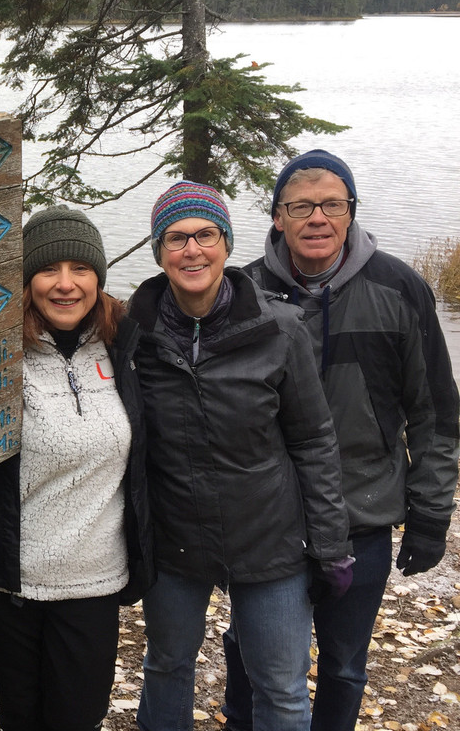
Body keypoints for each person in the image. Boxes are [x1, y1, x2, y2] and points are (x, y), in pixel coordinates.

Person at [223, 150, 460, 731]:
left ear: (351, 212)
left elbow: (435, 412)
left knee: (346, 665)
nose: (317, 218)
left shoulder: (399, 288)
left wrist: (431, 515)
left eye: (332, 204)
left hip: (362, 511)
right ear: (277, 217)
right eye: (300, 206)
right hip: (267, 519)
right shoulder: (243, 293)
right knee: (248, 653)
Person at [129, 181, 352, 731]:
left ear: (226, 244)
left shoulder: (279, 328)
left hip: (269, 539)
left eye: (206, 234)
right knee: (166, 666)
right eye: (176, 238)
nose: (192, 250)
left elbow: (313, 440)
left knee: (281, 688)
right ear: (158, 252)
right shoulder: (135, 331)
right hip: (175, 538)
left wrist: (329, 543)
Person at [0, 205, 152, 731]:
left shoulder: (125, 346)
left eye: (81, 269)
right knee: (21, 716)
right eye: (49, 270)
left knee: (77, 718)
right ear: (26, 281)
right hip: (12, 585)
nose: (65, 284)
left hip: (94, 583)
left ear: (99, 277)